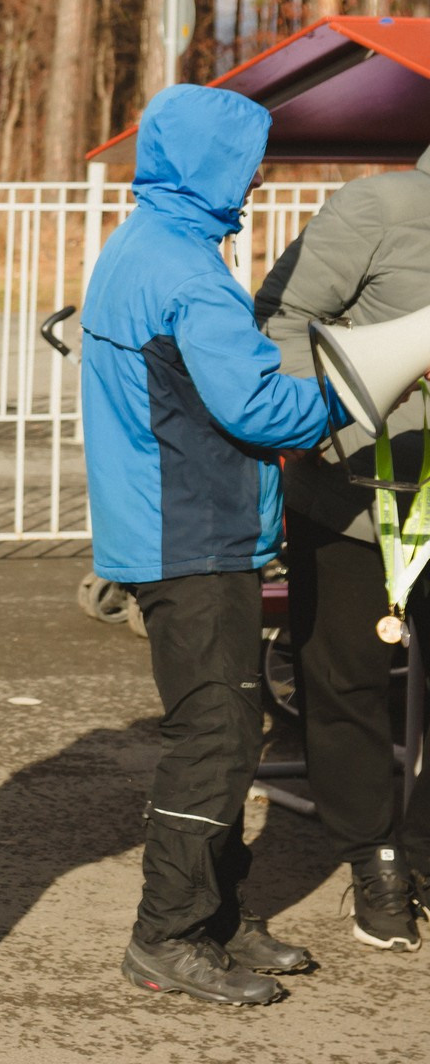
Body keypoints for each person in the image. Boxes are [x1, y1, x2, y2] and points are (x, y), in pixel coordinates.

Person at [80, 84, 338, 1005]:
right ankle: (170, 935)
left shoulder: (141, 240)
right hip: (192, 533)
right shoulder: (190, 271)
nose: (259, 179)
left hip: (162, 522)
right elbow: (257, 404)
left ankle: (219, 914)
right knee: (217, 735)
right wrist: (350, 398)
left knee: (223, 722)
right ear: (214, 166)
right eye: (250, 164)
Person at [254, 142, 430, 952]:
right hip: (357, 497)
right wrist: (345, 407)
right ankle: (376, 858)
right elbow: (279, 321)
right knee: (344, 681)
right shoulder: (379, 205)